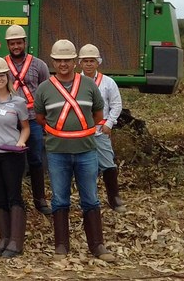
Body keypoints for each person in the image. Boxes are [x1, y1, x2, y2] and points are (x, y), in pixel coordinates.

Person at [34, 40, 115, 262]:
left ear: (74, 62)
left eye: (67, 60)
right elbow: (40, 118)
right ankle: (61, 246)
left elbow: (98, 115)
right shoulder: (44, 89)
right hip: (57, 151)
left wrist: (78, 131)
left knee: (90, 198)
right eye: (59, 60)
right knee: (60, 199)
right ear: (53, 62)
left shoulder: (89, 85)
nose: (63, 64)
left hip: (86, 150)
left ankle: (97, 246)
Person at [0, 56, 31, 258]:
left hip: (11, 154)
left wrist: (21, 141)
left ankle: (16, 241)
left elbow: (25, 128)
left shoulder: (18, 102)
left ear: (7, 77)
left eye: (1, 75)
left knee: (14, 195)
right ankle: (4, 238)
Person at [3, 24, 51, 215]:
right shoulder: (2, 64)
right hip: (10, 121)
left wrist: (44, 117)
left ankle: (40, 200)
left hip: (32, 120)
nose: (16, 46)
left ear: (25, 43)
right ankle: (14, 200)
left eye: (19, 43)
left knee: (36, 159)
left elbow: (46, 91)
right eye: (12, 43)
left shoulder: (39, 65)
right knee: (11, 162)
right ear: (8, 45)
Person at [78, 44, 126, 212]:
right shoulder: (75, 81)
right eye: (85, 61)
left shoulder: (108, 82)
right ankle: (88, 199)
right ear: (80, 63)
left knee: (108, 164)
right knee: (84, 167)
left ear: (98, 62)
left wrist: (109, 123)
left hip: (100, 131)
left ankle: (114, 197)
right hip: (81, 132)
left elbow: (116, 104)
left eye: (92, 61)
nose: (88, 64)